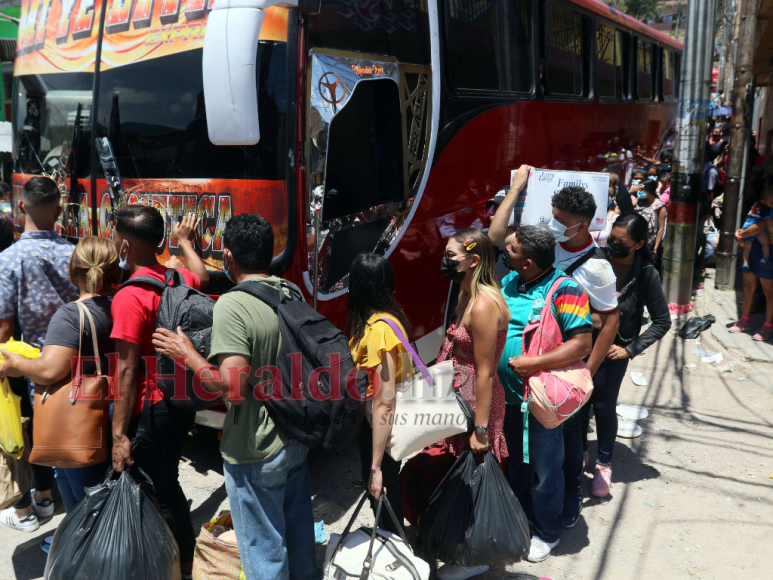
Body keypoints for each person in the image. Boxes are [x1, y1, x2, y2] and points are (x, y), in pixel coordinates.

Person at [152, 214, 318, 580]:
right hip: (295, 436)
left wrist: (186, 354)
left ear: (227, 256)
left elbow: (231, 387)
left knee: (264, 553)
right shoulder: (289, 291)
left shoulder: (233, 304)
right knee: (299, 539)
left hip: (255, 447)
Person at [489, 167, 619, 531]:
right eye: (554, 218)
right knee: (526, 459)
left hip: (558, 384)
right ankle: (526, 517)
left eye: (563, 222)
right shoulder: (538, 249)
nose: (555, 226)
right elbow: (498, 238)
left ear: (583, 225)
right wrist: (516, 187)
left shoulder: (596, 270)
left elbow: (608, 323)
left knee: (558, 459)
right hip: (517, 391)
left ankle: (558, 517)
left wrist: (582, 377)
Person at [109, 206, 208, 578]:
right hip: (179, 398)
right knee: (168, 481)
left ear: (123, 243)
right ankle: (179, 560)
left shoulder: (129, 297)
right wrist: (185, 243)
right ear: (161, 241)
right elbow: (202, 275)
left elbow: (128, 370)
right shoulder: (174, 276)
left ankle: (178, 565)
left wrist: (119, 434)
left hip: (149, 408)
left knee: (160, 491)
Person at [496, 225, 593, 563]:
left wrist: (533, 363)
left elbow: (582, 343)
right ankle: (525, 518)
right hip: (508, 399)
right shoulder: (511, 281)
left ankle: (547, 531)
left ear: (529, 262)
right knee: (519, 467)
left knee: (545, 469)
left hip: (539, 401)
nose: (504, 252)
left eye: (512, 250)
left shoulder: (565, 289)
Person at [0, 237, 119, 513]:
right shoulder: (118, 306)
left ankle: (82, 551)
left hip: (78, 421)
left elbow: (50, 370)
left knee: (86, 505)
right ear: (114, 272)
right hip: (111, 408)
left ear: (74, 271)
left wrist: (16, 364)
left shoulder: (70, 315)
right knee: (90, 493)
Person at [0, 176, 78, 533]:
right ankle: (48, 498)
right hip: (76, 355)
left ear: (21, 207)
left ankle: (35, 507)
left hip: (31, 359)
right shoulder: (74, 253)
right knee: (66, 432)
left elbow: (3, 325)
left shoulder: (9, 259)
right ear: (59, 211)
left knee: (37, 434)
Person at [581, 214, 670, 496]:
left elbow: (662, 322)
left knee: (604, 406)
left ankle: (603, 463)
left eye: (623, 242)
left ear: (640, 243)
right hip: (580, 344)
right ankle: (579, 452)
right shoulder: (594, 259)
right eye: (612, 239)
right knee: (577, 400)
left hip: (613, 352)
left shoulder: (646, 273)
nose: (614, 246)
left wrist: (630, 348)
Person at [347, 253, 413, 534]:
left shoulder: (379, 331)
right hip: (388, 426)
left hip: (382, 430)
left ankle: (395, 560)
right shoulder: (392, 317)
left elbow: (384, 401)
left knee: (384, 497)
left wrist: (375, 466)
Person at [733, 189, 773, 341]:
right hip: (754, 248)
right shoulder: (759, 204)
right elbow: (755, 225)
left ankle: (767, 326)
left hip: (768, 250)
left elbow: (763, 225)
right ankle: (744, 320)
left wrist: (743, 234)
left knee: (769, 292)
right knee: (748, 286)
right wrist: (744, 234)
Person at [738, 189, 773, 272]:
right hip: (756, 225)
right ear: (763, 201)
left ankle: (745, 263)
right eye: (772, 203)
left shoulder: (758, 204)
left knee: (747, 246)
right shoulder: (766, 209)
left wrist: (741, 233)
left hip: (747, 224)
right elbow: (768, 222)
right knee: (765, 242)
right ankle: (765, 259)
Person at [635, 179, 667, 260]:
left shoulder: (660, 206)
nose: (639, 192)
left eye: (641, 190)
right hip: (635, 239)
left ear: (648, 190)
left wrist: (655, 249)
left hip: (649, 244)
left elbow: (661, 229)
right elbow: (625, 205)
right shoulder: (639, 201)